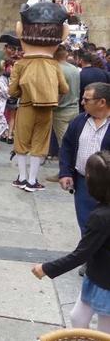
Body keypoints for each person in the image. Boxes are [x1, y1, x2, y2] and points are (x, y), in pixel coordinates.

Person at [32, 150, 110, 334]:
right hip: (96, 275)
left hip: (107, 282)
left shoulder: (101, 218)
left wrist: (46, 268)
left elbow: (81, 254)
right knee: (78, 317)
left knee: (103, 331)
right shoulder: (102, 212)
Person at [8, 2, 69, 192]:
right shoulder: (54, 65)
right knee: (39, 143)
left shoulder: (20, 64)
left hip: (25, 105)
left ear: (20, 31)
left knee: (21, 142)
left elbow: (12, 91)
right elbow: (65, 89)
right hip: (47, 107)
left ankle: (22, 177)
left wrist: (21, 92)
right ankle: (33, 181)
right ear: (63, 35)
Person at [59, 83, 110, 236]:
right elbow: (67, 147)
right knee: (86, 225)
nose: (82, 103)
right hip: (83, 183)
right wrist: (65, 172)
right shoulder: (79, 121)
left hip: (107, 186)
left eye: (86, 100)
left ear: (102, 102)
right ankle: (90, 257)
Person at [47, 44, 81, 182]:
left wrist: (53, 104)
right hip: (74, 108)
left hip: (61, 111)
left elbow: (60, 90)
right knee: (72, 142)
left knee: (64, 145)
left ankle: (65, 172)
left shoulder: (56, 69)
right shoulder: (74, 69)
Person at [0, 32, 23, 144]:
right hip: (6, 91)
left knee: (11, 113)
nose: (15, 52)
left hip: (12, 92)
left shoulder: (16, 64)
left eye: (17, 49)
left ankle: (8, 134)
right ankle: (7, 133)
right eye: (12, 48)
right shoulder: (6, 63)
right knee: (6, 113)